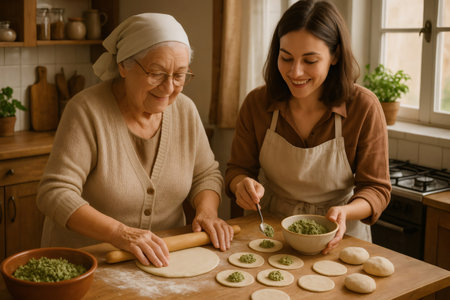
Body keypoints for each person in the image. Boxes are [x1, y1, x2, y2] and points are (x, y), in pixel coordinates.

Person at [37, 13, 233, 268]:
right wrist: (120, 233)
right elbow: (55, 193)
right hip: (84, 264)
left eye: (179, 75)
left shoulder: (185, 111)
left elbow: (206, 174)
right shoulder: (86, 111)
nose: (168, 87)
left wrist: (207, 212)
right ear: (123, 66)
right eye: (157, 73)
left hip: (163, 261)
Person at [225, 0, 391, 254]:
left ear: (335, 56)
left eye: (310, 60)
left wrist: (345, 212)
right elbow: (238, 169)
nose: (295, 72)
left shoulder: (363, 107)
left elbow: (377, 189)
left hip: (338, 236)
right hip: (270, 230)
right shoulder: (257, 103)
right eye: (286, 58)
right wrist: (241, 185)